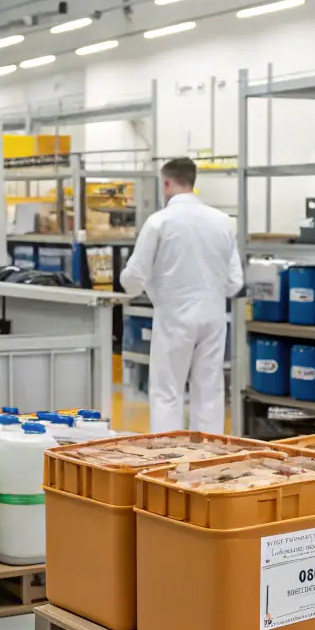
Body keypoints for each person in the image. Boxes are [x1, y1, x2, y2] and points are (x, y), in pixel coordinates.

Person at [121, 158, 243, 434]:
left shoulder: (159, 222)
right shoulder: (222, 221)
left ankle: (168, 451)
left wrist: (128, 286)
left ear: (166, 183)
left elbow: (134, 277)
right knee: (209, 389)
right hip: (213, 317)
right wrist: (209, 293)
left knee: (167, 391)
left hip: (174, 317)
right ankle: (209, 452)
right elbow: (235, 281)